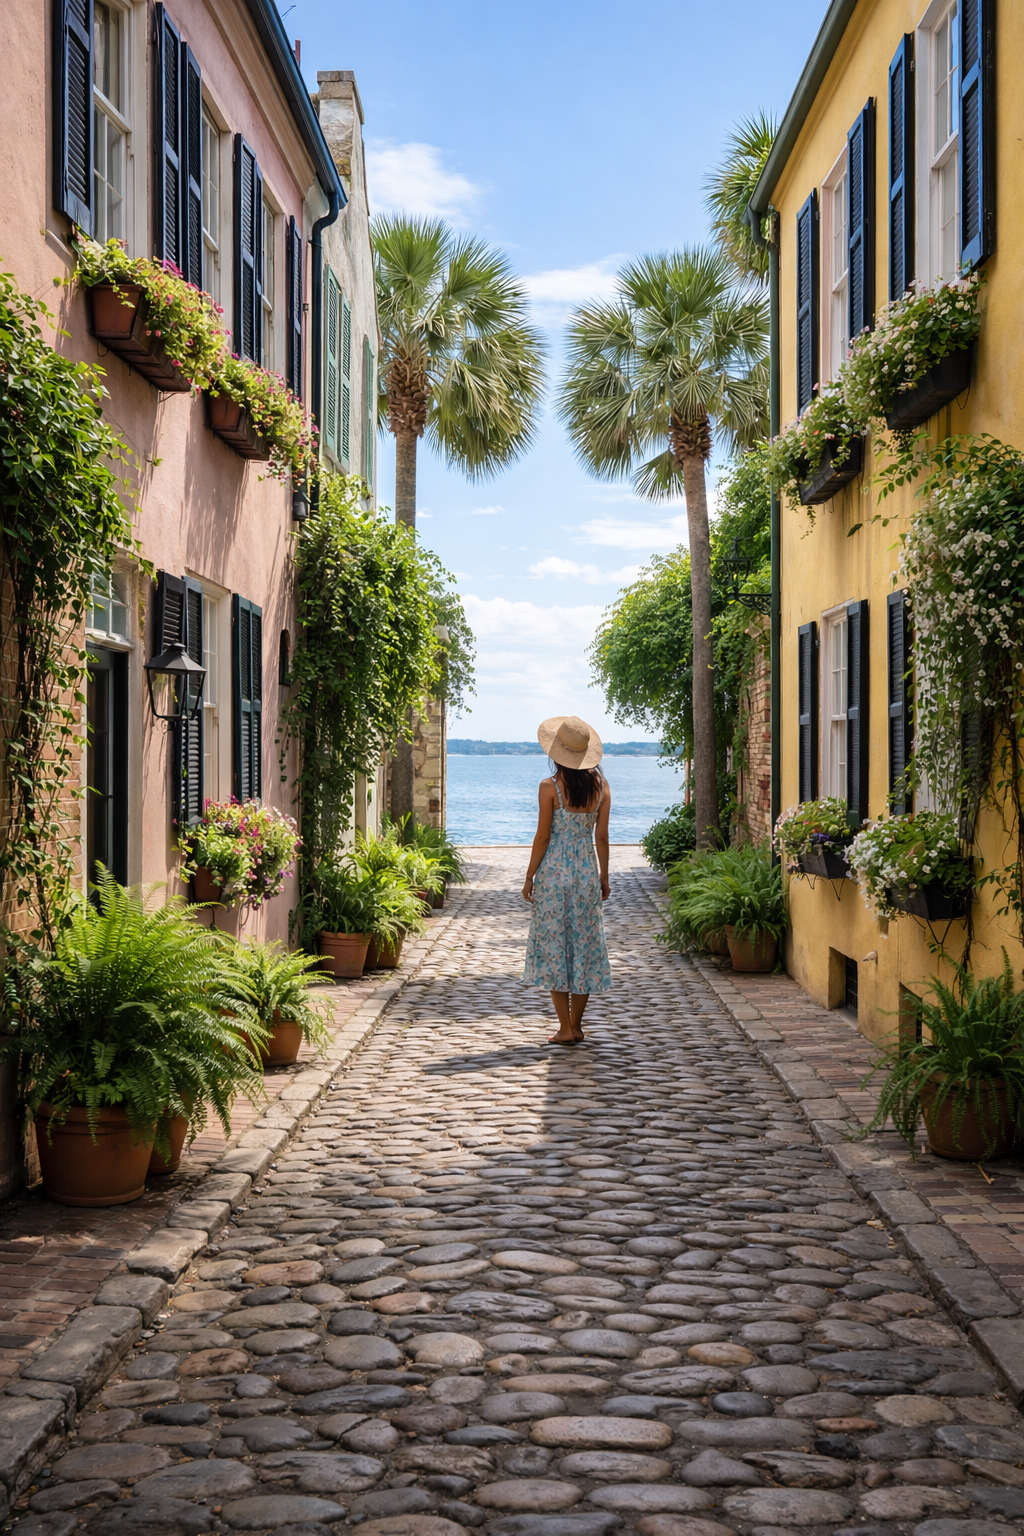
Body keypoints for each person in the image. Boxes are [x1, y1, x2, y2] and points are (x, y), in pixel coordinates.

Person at [521, 715, 612, 1044]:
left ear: (557, 753)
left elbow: (542, 837)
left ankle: (564, 1028)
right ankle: (578, 1024)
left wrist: (529, 876)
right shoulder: (601, 788)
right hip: (586, 872)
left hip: (554, 875)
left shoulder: (550, 788)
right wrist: (603, 876)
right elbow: (601, 838)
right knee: (585, 947)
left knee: (556, 946)